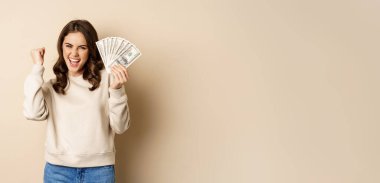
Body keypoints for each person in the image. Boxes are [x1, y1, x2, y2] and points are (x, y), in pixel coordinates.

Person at [23, 19, 131, 183]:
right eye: (69, 46)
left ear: (91, 50)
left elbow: (121, 126)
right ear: (61, 47)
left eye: (82, 47)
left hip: (100, 172)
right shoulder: (53, 86)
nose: (74, 54)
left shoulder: (107, 80)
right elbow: (32, 113)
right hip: (58, 172)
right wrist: (37, 67)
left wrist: (116, 90)